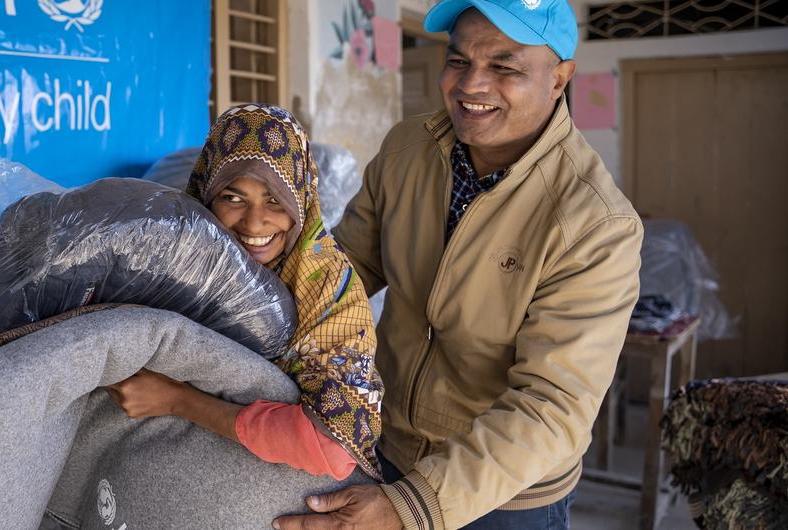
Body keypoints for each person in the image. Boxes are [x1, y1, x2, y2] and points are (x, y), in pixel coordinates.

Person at [275, 1, 643, 529]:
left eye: (504, 67)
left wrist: (415, 506)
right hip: (388, 445)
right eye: (458, 61)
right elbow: (344, 270)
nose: (471, 85)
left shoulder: (595, 223)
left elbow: (552, 407)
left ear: (560, 78)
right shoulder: (408, 150)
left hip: (505, 493)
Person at [105, 103, 386, 481]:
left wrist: (177, 400)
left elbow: (330, 448)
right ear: (206, 195)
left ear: (301, 201)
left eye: (275, 200)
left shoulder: (328, 291)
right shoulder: (178, 258)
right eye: (233, 198)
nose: (254, 223)